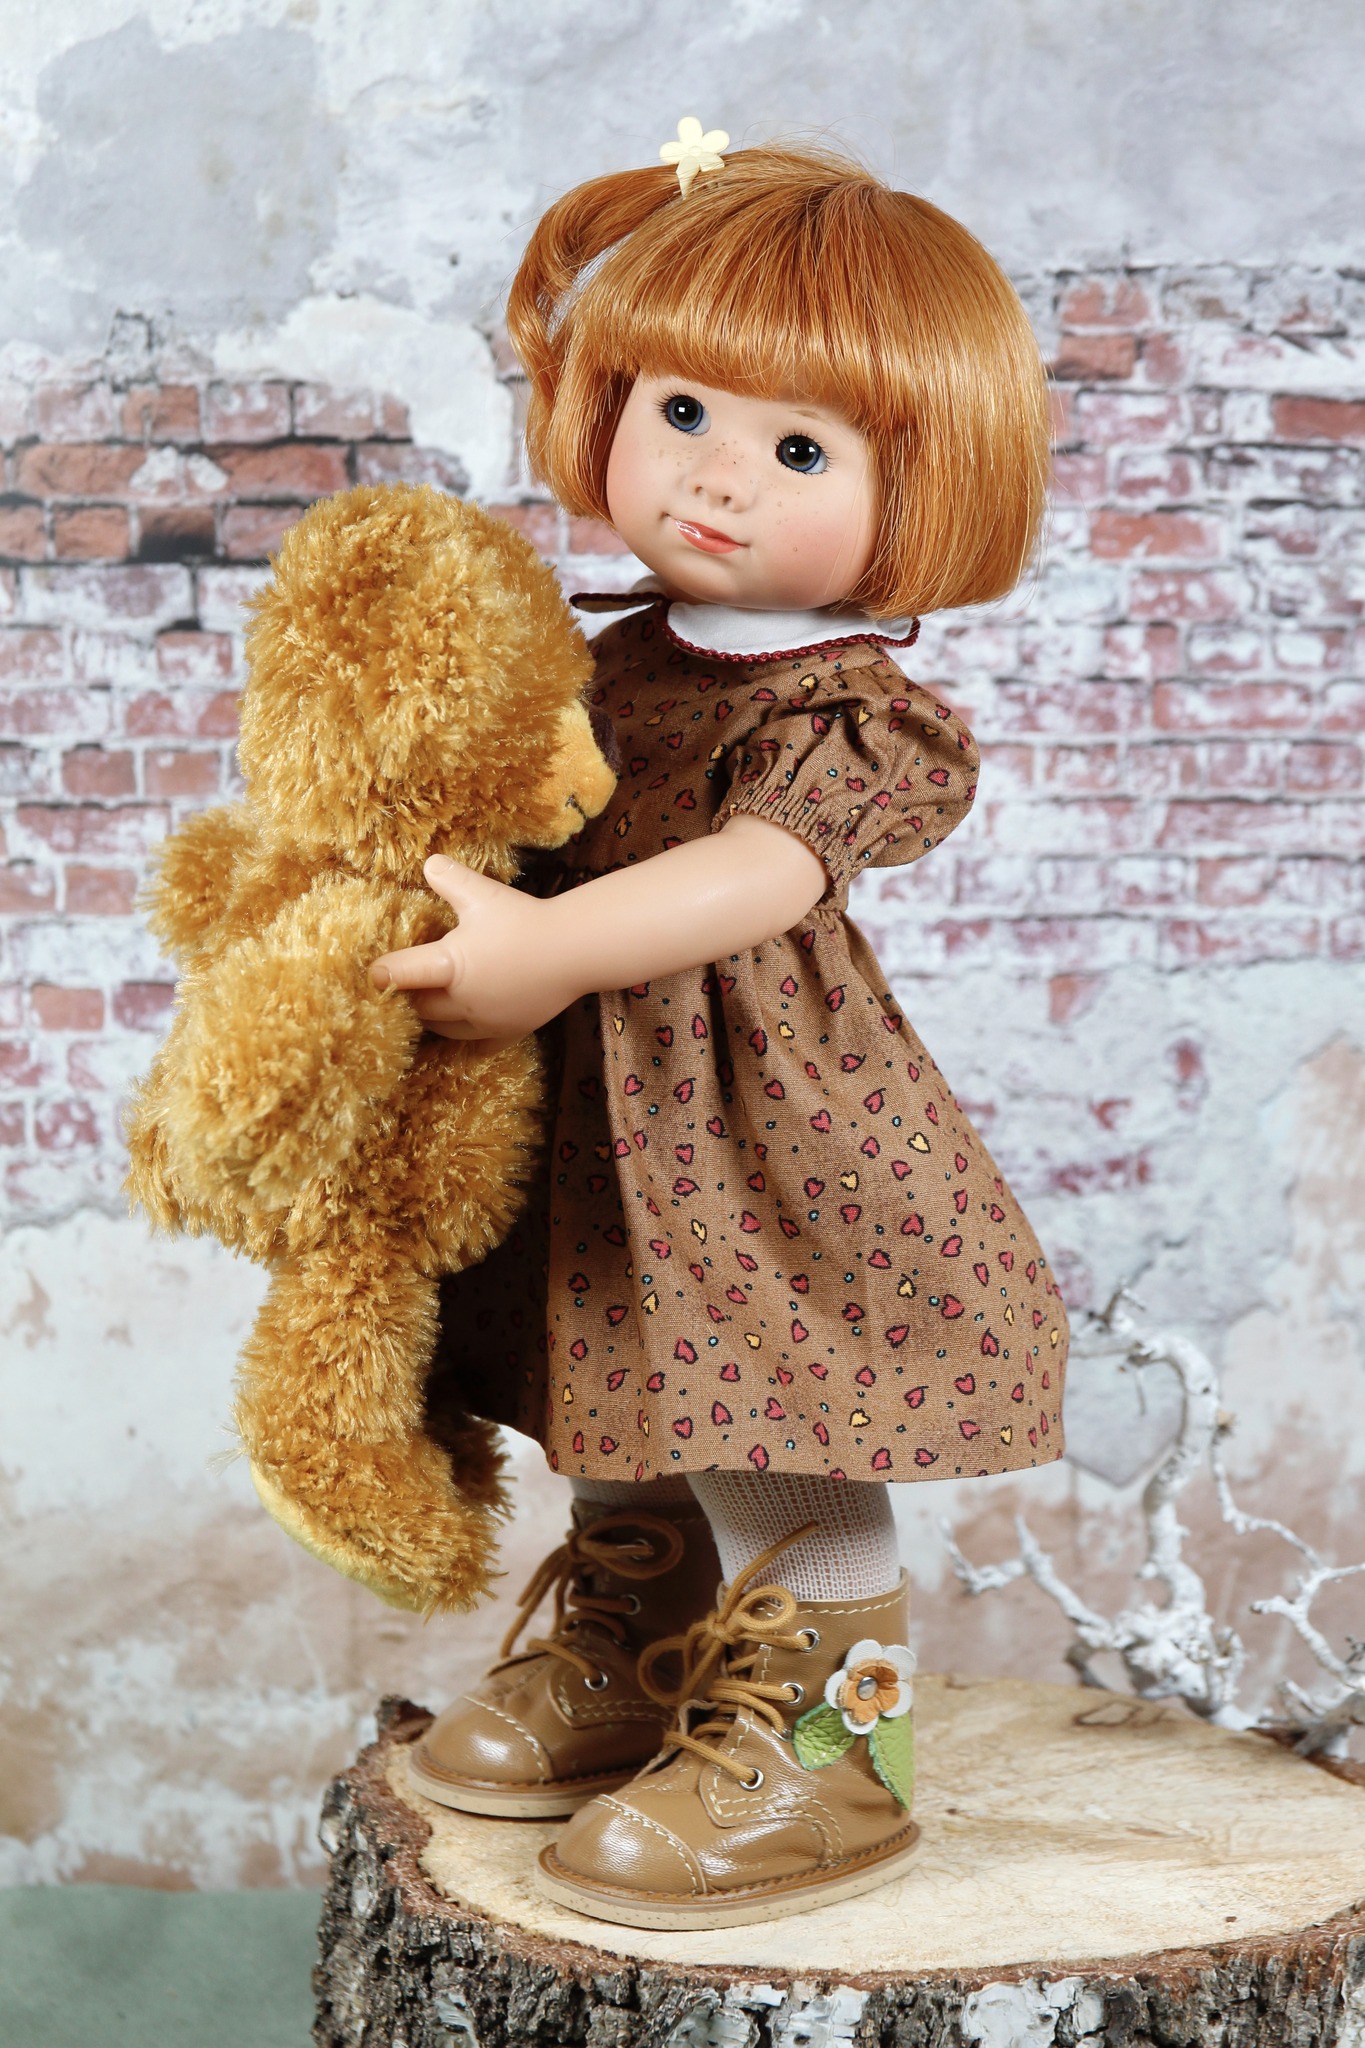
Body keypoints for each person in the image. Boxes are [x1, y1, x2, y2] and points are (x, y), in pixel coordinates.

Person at [369, 126, 1069, 1930]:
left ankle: (834, 1751)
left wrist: (551, 947)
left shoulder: (844, 710)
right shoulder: (602, 659)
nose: (717, 478)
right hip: (592, 1113)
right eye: (680, 410)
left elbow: (759, 874)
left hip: (751, 1113)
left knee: (772, 1400)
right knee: (610, 1363)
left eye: (799, 449)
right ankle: (646, 1634)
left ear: (924, 484)